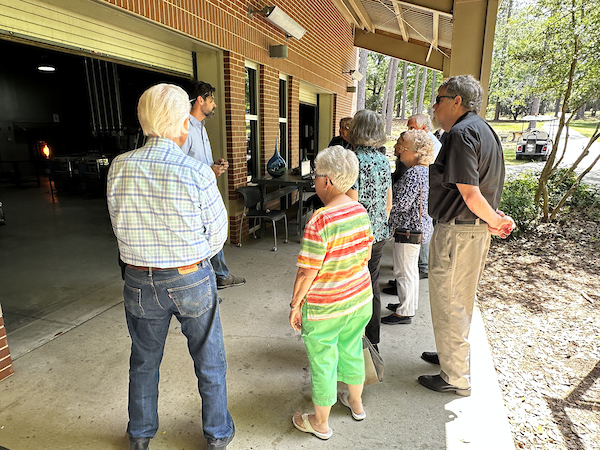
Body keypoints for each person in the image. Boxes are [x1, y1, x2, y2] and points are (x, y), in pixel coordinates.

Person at [107, 83, 235, 450]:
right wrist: (190, 257)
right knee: (209, 360)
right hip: (189, 277)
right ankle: (217, 434)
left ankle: (141, 435)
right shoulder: (197, 173)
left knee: (143, 361)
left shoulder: (119, 167)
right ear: (182, 123)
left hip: (137, 279)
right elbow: (217, 235)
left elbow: (118, 224)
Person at [419, 75, 515, 396]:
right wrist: (494, 219)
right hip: (470, 232)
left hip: (459, 232)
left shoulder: (461, 133)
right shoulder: (483, 130)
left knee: (450, 301)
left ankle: (455, 377)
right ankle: (450, 356)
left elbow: (471, 194)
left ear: (457, 101)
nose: (435, 105)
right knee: (457, 300)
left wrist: (495, 222)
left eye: (440, 98)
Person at [290, 145, 373, 440]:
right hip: (360, 298)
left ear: (327, 181)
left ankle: (320, 422)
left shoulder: (321, 220)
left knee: (323, 359)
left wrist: (295, 304)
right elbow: (365, 254)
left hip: (327, 306)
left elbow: (307, 271)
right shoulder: (359, 210)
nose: (314, 180)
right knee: (351, 348)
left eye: (316, 175)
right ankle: (356, 403)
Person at [181, 80, 245, 290]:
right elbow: (179, 168)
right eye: (211, 100)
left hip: (206, 192)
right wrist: (209, 171)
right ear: (200, 100)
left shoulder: (200, 127)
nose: (214, 104)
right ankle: (210, 281)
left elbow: (197, 162)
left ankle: (218, 276)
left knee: (212, 233)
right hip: (192, 197)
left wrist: (214, 165)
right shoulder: (184, 129)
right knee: (202, 238)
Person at [347, 110, 392, 350]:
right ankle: (372, 340)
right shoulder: (384, 160)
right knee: (372, 285)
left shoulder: (351, 159)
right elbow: (388, 202)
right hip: (378, 235)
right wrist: (377, 227)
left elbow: (352, 202)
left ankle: (353, 340)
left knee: (351, 288)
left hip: (356, 237)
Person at [381, 130, 434, 325]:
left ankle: (404, 312)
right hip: (416, 229)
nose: (398, 151)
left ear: (415, 152)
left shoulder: (413, 173)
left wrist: (387, 213)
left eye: (402, 147)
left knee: (404, 272)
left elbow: (401, 203)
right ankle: (407, 305)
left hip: (408, 230)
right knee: (409, 271)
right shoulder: (424, 170)